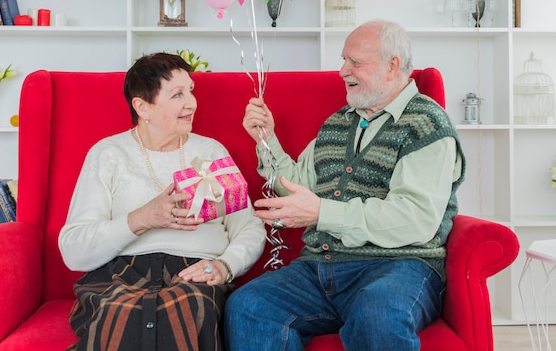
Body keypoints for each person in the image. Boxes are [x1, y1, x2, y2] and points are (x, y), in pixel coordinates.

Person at [225, 20, 466, 351]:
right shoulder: (337, 123)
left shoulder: (426, 124)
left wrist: (323, 212)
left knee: (376, 312)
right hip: (320, 267)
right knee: (248, 305)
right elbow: (299, 187)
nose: (342, 70)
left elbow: (415, 219)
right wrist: (267, 140)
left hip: (400, 267)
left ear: (392, 66)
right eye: (343, 59)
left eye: (355, 61)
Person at [59, 52, 266, 351]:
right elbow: (73, 249)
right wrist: (141, 219)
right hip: (121, 275)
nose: (192, 103)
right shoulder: (108, 153)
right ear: (143, 106)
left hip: (195, 273)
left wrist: (224, 266)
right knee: (120, 313)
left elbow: (249, 227)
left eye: (191, 91)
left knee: (191, 306)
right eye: (177, 94)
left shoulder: (212, 152)